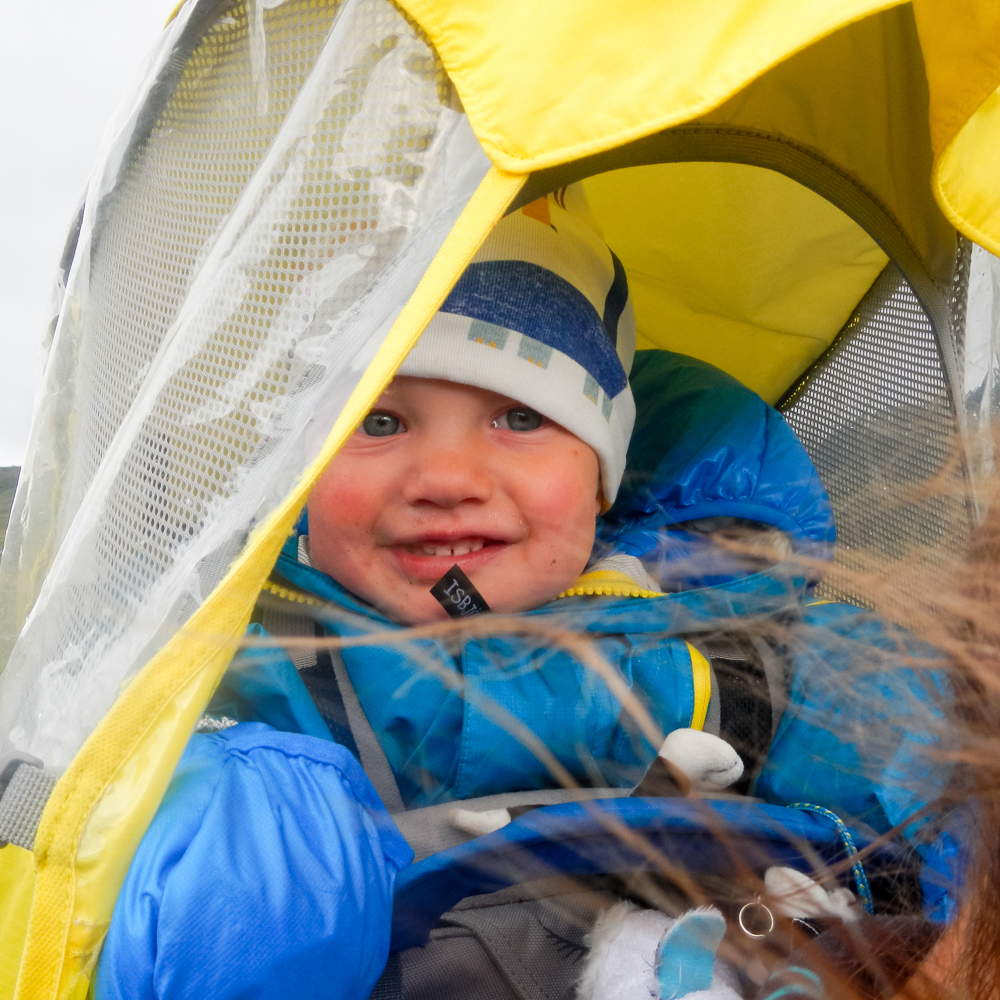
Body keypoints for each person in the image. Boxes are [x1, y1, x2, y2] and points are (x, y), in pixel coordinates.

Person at [94, 193, 956, 1000]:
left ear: (600, 481)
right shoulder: (257, 646)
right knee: (249, 837)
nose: (446, 478)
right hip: (409, 945)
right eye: (380, 421)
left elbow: (909, 733)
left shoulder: (726, 629)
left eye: (520, 418)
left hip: (730, 925)